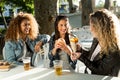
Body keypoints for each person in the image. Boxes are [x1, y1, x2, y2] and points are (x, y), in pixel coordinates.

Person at [71, 9, 120, 77]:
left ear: (100, 28)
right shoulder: (97, 39)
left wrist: (81, 57)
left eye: (92, 26)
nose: (90, 29)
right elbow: (92, 57)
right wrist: (81, 51)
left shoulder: (114, 50)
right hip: (90, 76)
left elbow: (99, 70)